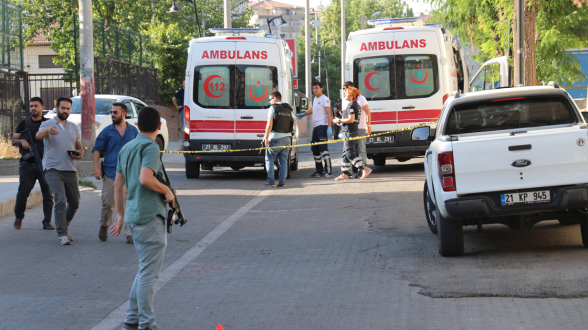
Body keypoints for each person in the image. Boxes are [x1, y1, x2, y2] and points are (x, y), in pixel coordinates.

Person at [110, 107, 174, 330]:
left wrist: (120, 215)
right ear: (159, 127)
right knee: (149, 274)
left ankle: (132, 319)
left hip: (134, 216)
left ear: (137, 126)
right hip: (149, 216)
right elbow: (146, 178)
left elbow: (118, 185)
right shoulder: (151, 147)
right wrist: (166, 191)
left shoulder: (127, 147)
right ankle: (147, 323)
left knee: (144, 270)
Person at [36, 97, 84, 245]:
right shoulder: (47, 124)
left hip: (70, 168)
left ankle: (65, 224)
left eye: (68, 108)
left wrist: (79, 154)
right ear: (56, 108)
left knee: (75, 202)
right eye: (63, 108)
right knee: (60, 199)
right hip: (52, 168)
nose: (65, 111)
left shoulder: (73, 127)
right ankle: (62, 234)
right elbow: (38, 136)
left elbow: (80, 147)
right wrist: (47, 130)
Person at [93, 102, 139, 244]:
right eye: (111, 112)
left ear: (124, 113)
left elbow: (138, 149)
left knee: (129, 204)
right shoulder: (107, 131)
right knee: (108, 203)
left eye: (115, 112)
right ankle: (104, 225)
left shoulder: (133, 131)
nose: (112, 115)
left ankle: (129, 232)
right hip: (111, 173)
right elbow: (97, 149)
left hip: (129, 173)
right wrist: (96, 168)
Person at [11, 97, 55, 230]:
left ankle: (47, 221)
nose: (33, 108)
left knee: (47, 193)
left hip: (45, 163)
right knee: (23, 192)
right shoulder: (24, 123)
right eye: (31, 106)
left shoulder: (48, 123)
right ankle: (18, 218)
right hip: (28, 164)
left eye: (35, 106)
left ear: (42, 108)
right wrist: (21, 142)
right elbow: (14, 140)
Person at [333, 87, 372, 181]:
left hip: (350, 132)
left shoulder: (352, 105)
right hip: (350, 131)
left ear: (351, 95)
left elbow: (351, 120)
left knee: (349, 153)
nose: (344, 95)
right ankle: (345, 173)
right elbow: (352, 120)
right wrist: (341, 122)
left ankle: (364, 168)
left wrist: (339, 120)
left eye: (346, 93)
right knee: (345, 154)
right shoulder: (355, 104)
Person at [297, 82, 332, 177]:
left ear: (321, 88)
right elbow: (314, 110)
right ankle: (319, 170)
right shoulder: (316, 99)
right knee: (315, 148)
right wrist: (304, 113)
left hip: (323, 126)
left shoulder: (325, 99)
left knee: (323, 149)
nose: (315, 90)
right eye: (313, 88)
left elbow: (329, 113)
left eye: (317, 88)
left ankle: (328, 171)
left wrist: (329, 127)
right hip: (316, 127)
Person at [263, 91, 294, 188]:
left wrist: (266, 137)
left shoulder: (272, 108)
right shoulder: (289, 108)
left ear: (275, 98)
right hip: (287, 138)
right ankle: (282, 182)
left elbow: (269, 125)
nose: (269, 101)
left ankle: (271, 181)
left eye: (270, 99)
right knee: (284, 161)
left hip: (275, 138)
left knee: (269, 160)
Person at [342, 81, 372, 178]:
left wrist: (369, 125)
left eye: (347, 87)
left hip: (360, 127)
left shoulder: (360, 98)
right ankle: (347, 172)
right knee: (347, 151)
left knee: (361, 150)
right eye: (343, 88)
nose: (345, 89)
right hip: (349, 128)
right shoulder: (346, 99)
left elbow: (367, 112)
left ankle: (362, 171)